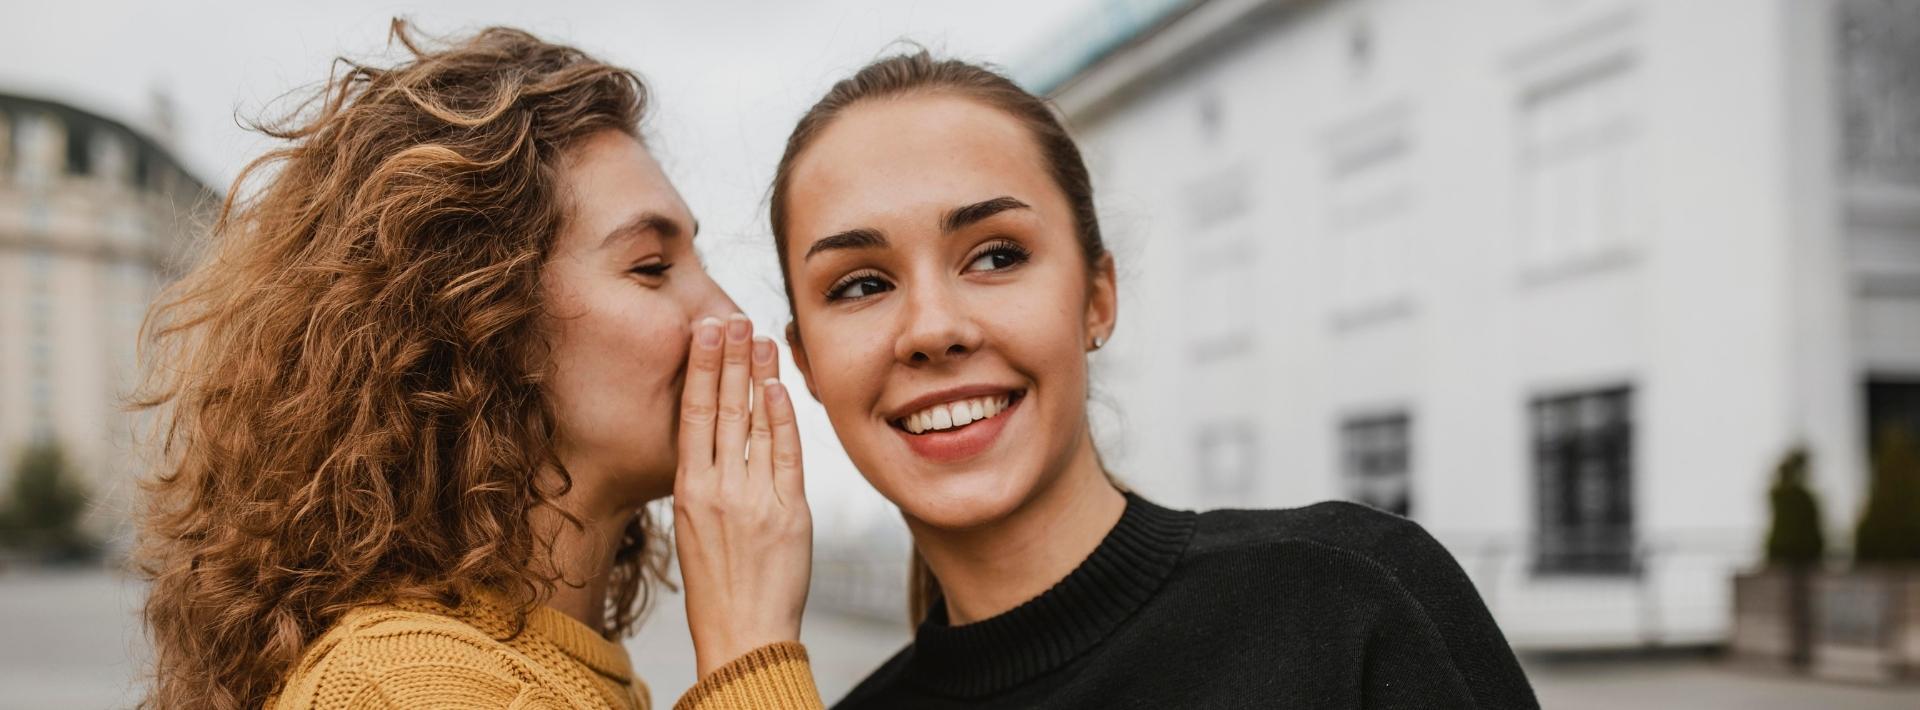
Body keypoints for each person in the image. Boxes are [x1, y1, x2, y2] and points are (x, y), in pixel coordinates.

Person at [766, 51, 1541, 708]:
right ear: (806, 362)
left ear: (1097, 297)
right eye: (861, 285)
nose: (933, 329)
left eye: (997, 255)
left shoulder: (1349, 600)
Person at [137, 22, 819, 710]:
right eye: (651, 267)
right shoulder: (399, 689)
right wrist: (751, 650)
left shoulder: (572, 676)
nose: (728, 316)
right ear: (483, 317)